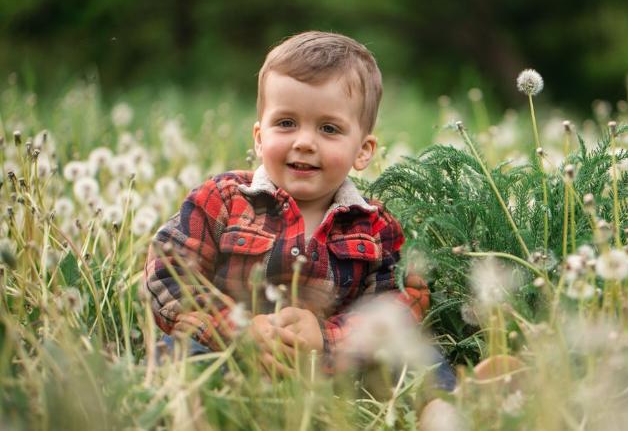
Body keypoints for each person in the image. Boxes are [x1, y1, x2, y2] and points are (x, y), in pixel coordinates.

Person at [142, 31, 455, 390]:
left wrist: (327, 337)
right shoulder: (223, 199)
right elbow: (167, 273)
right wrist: (238, 328)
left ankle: (448, 408)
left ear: (363, 150)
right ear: (260, 138)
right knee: (175, 354)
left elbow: (402, 301)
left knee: (420, 358)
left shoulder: (374, 226)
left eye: (329, 128)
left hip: (330, 376)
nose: (304, 142)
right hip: (230, 359)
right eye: (286, 123)